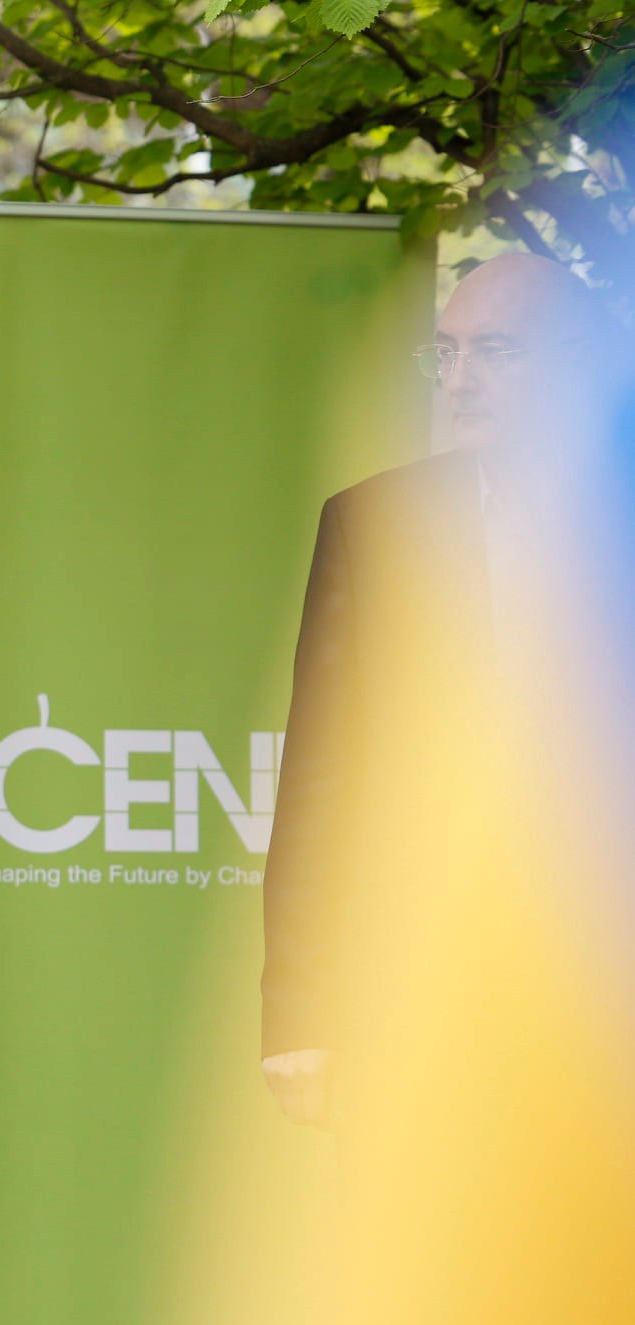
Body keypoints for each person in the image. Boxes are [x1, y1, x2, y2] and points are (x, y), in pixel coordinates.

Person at [260, 253, 625, 1125]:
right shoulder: (374, 523)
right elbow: (321, 779)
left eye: (495, 350)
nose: (460, 380)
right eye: (447, 352)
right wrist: (301, 1011)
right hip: (432, 991)